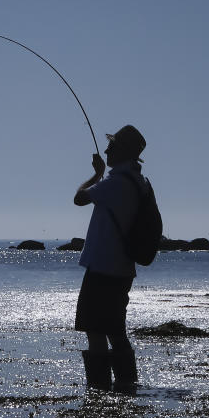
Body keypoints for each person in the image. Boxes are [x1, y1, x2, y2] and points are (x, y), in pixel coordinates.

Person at [73, 124, 148, 392]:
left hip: (103, 267)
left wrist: (96, 175)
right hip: (123, 269)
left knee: (95, 331)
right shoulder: (139, 183)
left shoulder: (116, 183)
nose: (106, 150)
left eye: (112, 146)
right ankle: (127, 388)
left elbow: (79, 198)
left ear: (123, 151)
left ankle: (98, 393)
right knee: (116, 332)